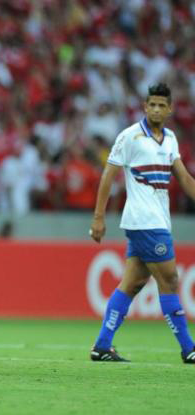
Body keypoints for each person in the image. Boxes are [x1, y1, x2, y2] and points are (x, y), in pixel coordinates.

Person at [89, 83, 195, 363]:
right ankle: (189, 348)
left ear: (170, 109)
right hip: (144, 221)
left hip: (157, 220)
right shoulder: (130, 137)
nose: (157, 109)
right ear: (145, 107)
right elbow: (108, 176)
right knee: (170, 279)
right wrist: (99, 217)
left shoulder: (170, 139)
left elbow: (183, 178)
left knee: (133, 283)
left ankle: (102, 345)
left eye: (162, 105)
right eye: (152, 104)